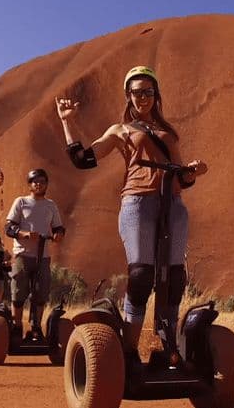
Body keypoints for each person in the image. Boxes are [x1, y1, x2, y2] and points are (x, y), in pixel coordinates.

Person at [55, 65, 208, 363]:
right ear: (128, 96)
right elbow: (83, 159)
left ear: (156, 95)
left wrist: (193, 172)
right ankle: (129, 351)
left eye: (148, 92)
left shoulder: (168, 133)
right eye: (137, 92)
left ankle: (167, 350)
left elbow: (181, 179)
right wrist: (68, 123)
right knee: (141, 275)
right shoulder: (120, 131)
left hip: (172, 206)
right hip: (137, 202)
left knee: (173, 277)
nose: (143, 98)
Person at [4, 168, 66, 341]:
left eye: (42, 181)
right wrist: (23, 234)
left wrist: (59, 234)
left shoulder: (50, 205)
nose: (38, 184)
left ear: (46, 184)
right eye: (35, 181)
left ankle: (36, 327)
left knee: (41, 293)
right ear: (30, 184)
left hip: (43, 256)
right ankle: (17, 326)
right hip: (23, 255)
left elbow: (58, 227)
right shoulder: (21, 202)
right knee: (18, 291)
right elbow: (8, 227)